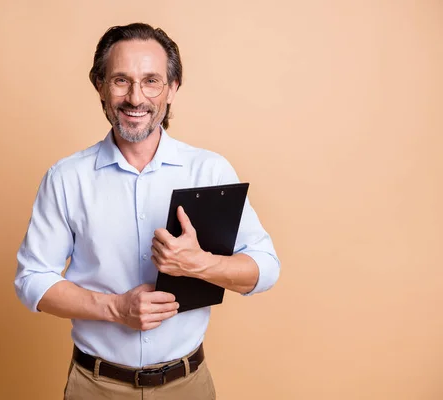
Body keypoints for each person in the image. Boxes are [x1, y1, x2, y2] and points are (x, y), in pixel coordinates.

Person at [14, 22, 280, 400]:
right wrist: (115, 308)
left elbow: (266, 268)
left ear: (172, 89)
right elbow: (31, 280)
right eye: (121, 80)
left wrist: (199, 264)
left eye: (151, 81)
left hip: (188, 386)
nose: (135, 97)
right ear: (100, 87)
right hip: (95, 387)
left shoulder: (209, 171)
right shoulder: (66, 178)